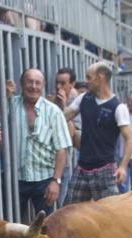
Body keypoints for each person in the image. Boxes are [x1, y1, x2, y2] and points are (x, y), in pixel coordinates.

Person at [0, 68, 70, 219]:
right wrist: (4, 96)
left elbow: (62, 149)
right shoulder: (10, 105)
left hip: (44, 180)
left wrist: (56, 181)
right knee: (11, 227)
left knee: (46, 229)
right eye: (29, 81)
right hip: (14, 179)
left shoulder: (53, 111)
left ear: (43, 85)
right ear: (22, 83)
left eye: (38, 83)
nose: (33, 86)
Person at [62, 62, 130, 204]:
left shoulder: (118, 107)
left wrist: (123, 167)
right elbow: (64, 116)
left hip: (104, 169)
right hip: (82, 167)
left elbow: (129, 139)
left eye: (89, 77)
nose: (87, 82)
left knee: (110, 215)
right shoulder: (84, 98)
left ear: (101, 78)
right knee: (68, 211)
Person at [50, 67, 79, 205]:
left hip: (66, 163)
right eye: (57, 82)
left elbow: (73, 134)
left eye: (62, 83)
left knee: (62, 206)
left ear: (72, 84)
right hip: (46, 162)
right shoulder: (48, 101)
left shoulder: (77, 105)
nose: (58, 86)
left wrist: (63, 108)